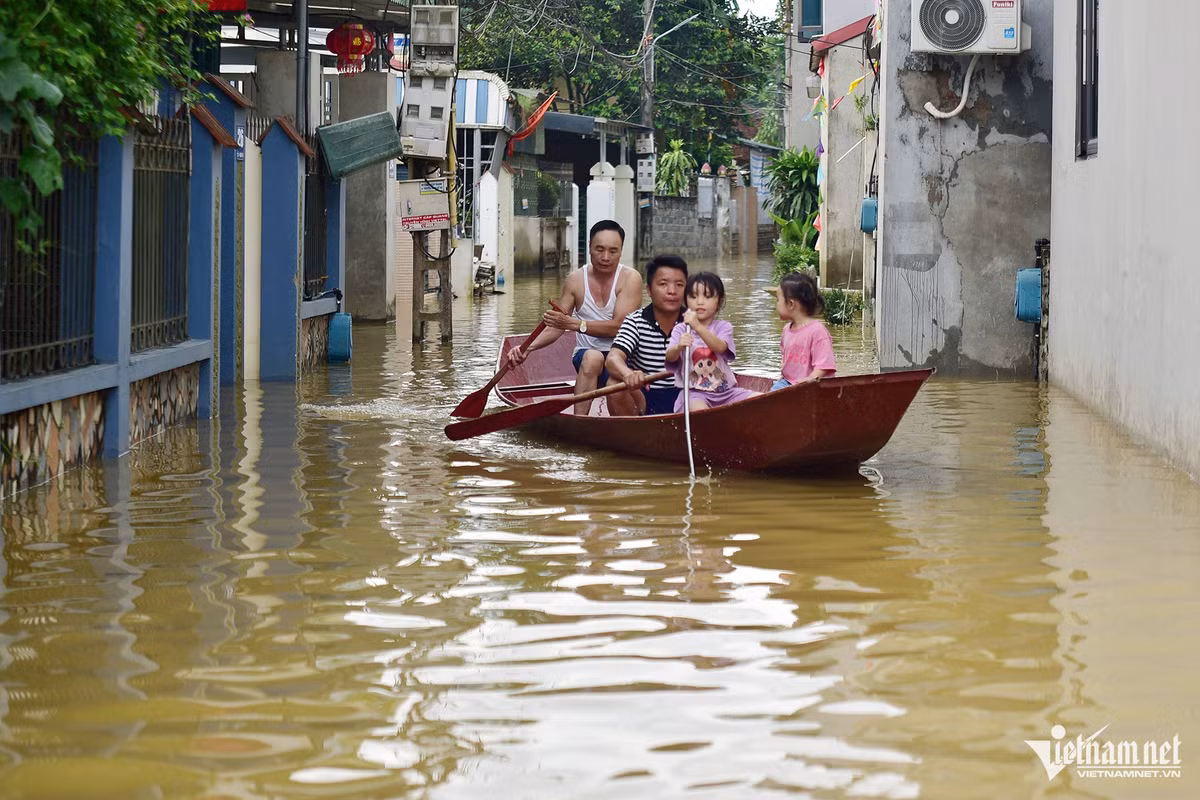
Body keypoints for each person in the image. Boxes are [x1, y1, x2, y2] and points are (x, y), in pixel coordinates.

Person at [506, 220, 643, 415]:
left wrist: (575, 324)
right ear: (589, 248)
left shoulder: (630, 278)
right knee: (592, 357)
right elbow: (557, 326)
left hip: (622, 357)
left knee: (615, 369)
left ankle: (621, 425)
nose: (605, 257)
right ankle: (580, 420)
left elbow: (619, 327)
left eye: (613, 251)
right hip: (587, 358)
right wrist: (527, 348)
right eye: (599, 249)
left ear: (621, 251)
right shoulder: (575, 280)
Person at [606, 254, 688, 416]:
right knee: (614, 384)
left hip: (688, 395)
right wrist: (628, 374)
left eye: (679, 285)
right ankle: (632, 436)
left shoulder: (696, 323)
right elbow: (613, 358)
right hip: (647, 396)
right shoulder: (635, 321)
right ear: (649, 290)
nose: (672, 291)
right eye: (663, 284)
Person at [665, 272, 759, 413]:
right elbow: (670, 357)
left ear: (719, 302)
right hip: (695, 394)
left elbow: (720, 347)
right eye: (694, 296)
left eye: (707, 296)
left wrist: (697, 326)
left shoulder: (723, 327)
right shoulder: (681, 329)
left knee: (761, 399)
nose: (700, 302)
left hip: (726, 393)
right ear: (686, 300)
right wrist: (678, 346)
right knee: (702, 412)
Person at [772, 271, 836, 390]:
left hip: (813, 387)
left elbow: (824, 365)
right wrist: (783, 375)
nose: (776, 305)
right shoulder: (787, 330)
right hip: (788, 383)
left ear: (791, 304)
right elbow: (786, 360)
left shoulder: (817, 331)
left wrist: (810, 378)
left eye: (778, 300)